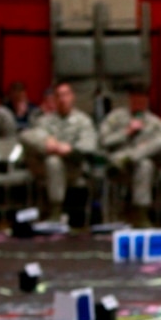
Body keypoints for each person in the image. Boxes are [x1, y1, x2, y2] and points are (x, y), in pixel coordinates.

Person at [19, 81, 98, 220]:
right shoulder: (44, 121)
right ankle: (55, 210)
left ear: (72, 97)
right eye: (58, 95)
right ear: (54, 99)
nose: (62, 99)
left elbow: (88, 147)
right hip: (46, 167)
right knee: (53, 161)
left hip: (73, 168)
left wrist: (67, 150)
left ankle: (55, 211)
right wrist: (48, 144)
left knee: (54, 161)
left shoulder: (83, 120)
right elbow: (27, 136)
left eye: (66, 95)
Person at [97, 83, 161, 227]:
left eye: (142, 100)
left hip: (144, 170)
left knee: (146, 162)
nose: (138, 103)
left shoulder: (156, 123)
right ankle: (125, 158)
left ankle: (140, 214)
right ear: (130, 100)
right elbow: (102, 141)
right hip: (118, 170)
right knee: (142, 163)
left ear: (147, 101)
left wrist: (135, 154)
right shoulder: (115, 118)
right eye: (135, 99)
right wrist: (126, 132)